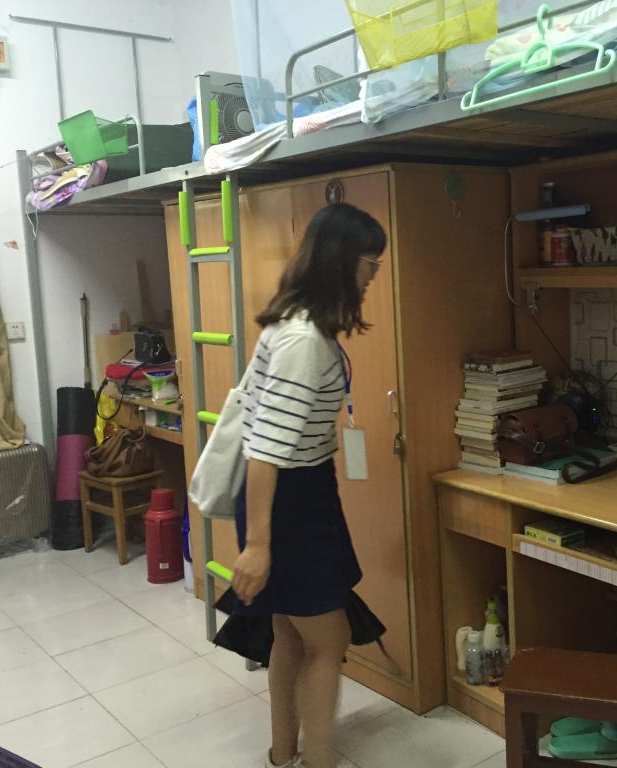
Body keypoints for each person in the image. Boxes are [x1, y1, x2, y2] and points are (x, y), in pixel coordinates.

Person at [230, 203, 386, 768]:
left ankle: (283, 755)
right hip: (289, 501)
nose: (372, 276)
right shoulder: (303, 342)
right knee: (328, 639)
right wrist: (259, 545)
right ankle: (317, 760)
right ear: (341, 261)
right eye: (369, 263)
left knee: (291, 635)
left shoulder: (297, 324)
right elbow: (266, 450)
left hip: (300, 492)